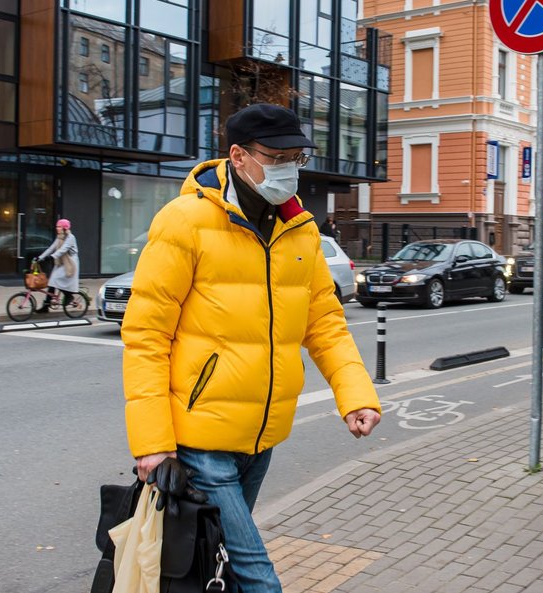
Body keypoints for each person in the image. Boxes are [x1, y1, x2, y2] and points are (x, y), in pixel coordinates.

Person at [121, 103, 382, 592]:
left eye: (296, 157)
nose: (288, 168)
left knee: (215, 564)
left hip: (260, 441)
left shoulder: (299, 230)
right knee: (258, 577)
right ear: (238, 156)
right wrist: (153, 444)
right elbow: (147, 335)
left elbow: (324, 322)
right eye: (276, 156)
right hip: (200, 441)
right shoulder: (185, 221)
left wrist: (357, 396)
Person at [33, 218, 79, 313]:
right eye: (57, 226)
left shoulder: (70, 237)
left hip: (70, 262)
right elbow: (51, 248)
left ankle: (69, 296)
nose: (57, 228)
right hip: (61, 261)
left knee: (55, 280)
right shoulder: (59, 237)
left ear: (64, 228)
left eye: (59, 226)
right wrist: (40, 257)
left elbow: (63, 249)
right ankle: (46, 306)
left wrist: (52, 257)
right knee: (52, 282)